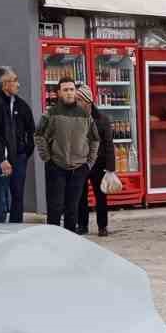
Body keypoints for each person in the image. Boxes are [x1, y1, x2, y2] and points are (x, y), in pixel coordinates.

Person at [35, 76, 99, 233]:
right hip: (56, 166)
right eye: (65, 90)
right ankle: (52, 239)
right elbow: (39, 135)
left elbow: (95, 140)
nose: (69, 93)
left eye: (72, 89)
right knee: (55, 207)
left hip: (79, 168)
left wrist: (88, 163)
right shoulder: (51, 114)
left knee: (73, 207)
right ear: (58, 93)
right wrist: (47, 158)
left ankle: (69, 240)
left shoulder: (85, 115)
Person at [0, 66, 36, 224]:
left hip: (17, 156)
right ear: (5, 84)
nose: (18, 84)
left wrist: (25, 152)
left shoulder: (20, 104)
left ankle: (14, 229)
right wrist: (1, 159)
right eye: (15, 80)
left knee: (15, 196)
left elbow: (31, 131)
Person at [75, 82, 113, 237]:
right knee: (80, 197)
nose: (76, 102)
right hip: (81, 163)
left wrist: (111, 168)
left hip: (99, 164)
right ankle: (82, 225)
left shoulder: (102, 119)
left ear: (87, 101)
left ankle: (102, 226)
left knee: (101, 196)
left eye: (79, 100)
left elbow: (109, 144)